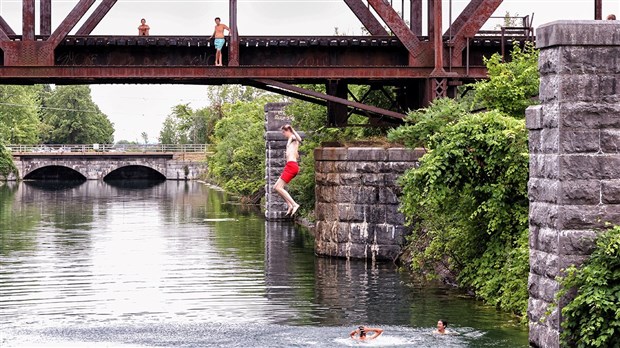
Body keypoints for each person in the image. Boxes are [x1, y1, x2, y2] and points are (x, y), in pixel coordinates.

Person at [273, 124, 301, 217]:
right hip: (289, 166)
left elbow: (299, 139)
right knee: (275, 187)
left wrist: (292, 129)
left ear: (288, 131)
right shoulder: (290, 139)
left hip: (292, 166)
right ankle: (289, 205)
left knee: (279, 188)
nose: (283, 134)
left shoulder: (293, 137)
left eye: (284, 132)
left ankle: (294, 204)